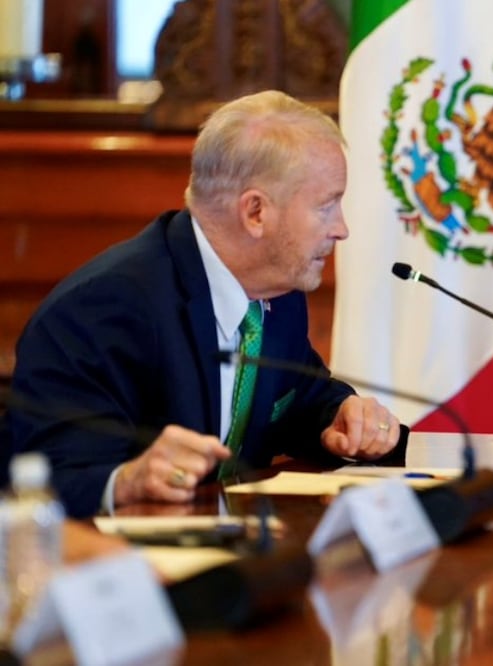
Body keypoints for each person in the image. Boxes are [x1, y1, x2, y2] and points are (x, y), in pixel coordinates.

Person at [1, 90, 402, 518]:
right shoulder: (104, 308)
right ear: (255, 213)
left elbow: (298, 393)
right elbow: (41, 476)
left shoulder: (277, 294)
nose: (341, 229)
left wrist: (338, 415)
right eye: (327, 207)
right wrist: (128, 479)